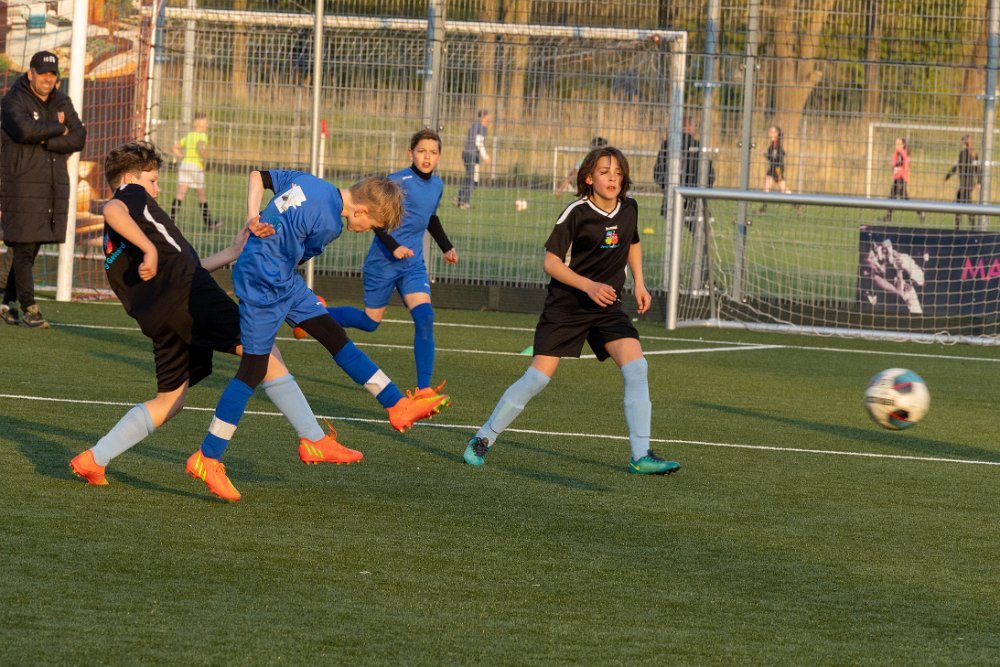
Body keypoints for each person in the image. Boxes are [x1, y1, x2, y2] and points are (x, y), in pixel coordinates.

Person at [69, 141, 360, 487]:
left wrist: (231, 252)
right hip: (190, 298)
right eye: (153, 180)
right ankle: (313, 438)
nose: (157, 189)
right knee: (265, 352)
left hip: (162, 319)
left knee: (171, 400)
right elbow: (112, 209)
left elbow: (185, 265)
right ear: (131, 179)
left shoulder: (121, 238)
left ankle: (94, 458)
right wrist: (149, 249)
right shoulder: (130, 196)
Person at [188, 168, 451, 501]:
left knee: (334, 335)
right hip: (263, 284)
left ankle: (396, 404)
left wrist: (253, 217)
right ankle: (207, 457)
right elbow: (300, 252)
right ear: (361, 211)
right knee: (253, 369)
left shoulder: (310, 182)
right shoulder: (330, 225)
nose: (367, 231)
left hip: (280, 278)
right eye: (372, 225)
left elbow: (258, 176)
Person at [463, 145, 681, 475]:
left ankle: (641, 455)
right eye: (605, 172)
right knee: (537, 378)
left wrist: (640, 283)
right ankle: (483, 438)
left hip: (607, 307)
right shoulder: (576, 213)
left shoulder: (629, 208)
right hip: (567, 306)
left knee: (637, 368)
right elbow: (551, 263)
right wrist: (588, 285)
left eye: (618, 173)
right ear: (589, 178)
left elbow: (632, 242)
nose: (613, 178)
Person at [323, 128, 457, 395]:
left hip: (413, 264)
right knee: (370, 323)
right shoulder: (396, 181)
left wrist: (447, 247)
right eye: (421, 151)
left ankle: (423, 389)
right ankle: (319, 315)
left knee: (425, 317)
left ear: (439, 156)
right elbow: (376, 219)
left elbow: (430, 217)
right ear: (410, 153)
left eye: (432, 152)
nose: (427, 157)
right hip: (383, 262)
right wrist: (394, 247)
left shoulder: (438, 186)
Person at [0, 50, 87, 328]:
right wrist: (57, 128)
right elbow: (24, 130)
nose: (48, 79)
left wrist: (46, 139)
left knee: (29, 246)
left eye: (52, 75)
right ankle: (30, 308)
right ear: (31, 74)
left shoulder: (62, 101)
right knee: (24, 247)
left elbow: (79, 137)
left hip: (50, 186)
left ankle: (6, 301)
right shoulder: (13, 100)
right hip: (20, 185)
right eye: (43, 74)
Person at [653, 116, 715, 221]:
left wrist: (667, 187)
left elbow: (657, 175)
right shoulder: (699, 147)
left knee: (672, 227)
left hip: (671, 199)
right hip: (695, 198)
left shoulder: (667, 146)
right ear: (690, 128)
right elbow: (710, 175)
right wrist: (703, 189)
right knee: (699, 227)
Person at [171, 112, 221, 229]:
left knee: (180, 194)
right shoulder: (202, 136)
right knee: (201, 195)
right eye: (205, 122)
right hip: (196, 166)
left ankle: (172, 221)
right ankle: (209, 223)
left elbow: (174, 147)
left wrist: (182, 156)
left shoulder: (189, 135)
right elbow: (200, 147)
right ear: (198, 123)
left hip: (185, 165)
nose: (207, 124)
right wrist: (203, 159)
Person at [863, 238, 925, 314]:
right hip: (898, 306)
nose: (876, 258)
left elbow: (921, 281)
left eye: (885, 249)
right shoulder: (875, 275)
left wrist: (908, 280)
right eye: (873, 256)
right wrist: (899, 271)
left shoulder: (900, 259)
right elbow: (898, 293)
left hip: (911, 303)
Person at [882, 137, 925, 223]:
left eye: (898, 143)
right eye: (896, 143)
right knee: (895, 197)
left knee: (900, 198)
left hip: (900, 179)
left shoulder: (901, 153)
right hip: (898, 178)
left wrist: (893, 164)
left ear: (903, 145)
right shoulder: (899, 152)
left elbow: (901, 162)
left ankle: (920, 212)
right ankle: (888, 217)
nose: (896, 145)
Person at [455, 109, 491, 209]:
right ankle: (464, 202)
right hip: (471, 154)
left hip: (471, 155)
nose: (490, 118)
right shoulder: (480, 127)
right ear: (484, 117)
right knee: (471, 178)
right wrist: (485, 156)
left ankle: (459, 197)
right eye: (488, 116)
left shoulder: (479, 126)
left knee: (472, 178)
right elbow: (478, 143)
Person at [945, 134, 981, 229]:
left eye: (961, 141)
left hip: (965, 183)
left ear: (964, 142)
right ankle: (969, 226)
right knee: (964, 202)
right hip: (969, 183)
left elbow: (955, 167)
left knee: (962, 203)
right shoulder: (974, 154)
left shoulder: (964, 154)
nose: (960, 143)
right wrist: (978, 182)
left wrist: (947, 177)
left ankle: (963, 227)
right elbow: (977, 169)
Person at [755, 125, 788, 215]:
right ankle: (762, 210)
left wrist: (766, 155)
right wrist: (767, 155)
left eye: (773, 131)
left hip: (777, 169)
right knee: (767, 188)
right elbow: (774, 157)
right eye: (770, 131)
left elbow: (777, 157)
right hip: (773, 168)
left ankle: (797, 203)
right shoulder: (774, 144)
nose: (770, 132)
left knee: (783, 190)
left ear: (777, 134)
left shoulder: (777, 145)